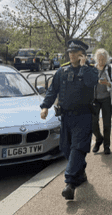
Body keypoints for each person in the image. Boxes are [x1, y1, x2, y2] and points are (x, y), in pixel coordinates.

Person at [39, 39, 96, 201]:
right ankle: (80, 172)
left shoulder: (89, 71)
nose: (71, 55)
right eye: (70, 52)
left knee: (78, 147)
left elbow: (91, 82)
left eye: (75, 52)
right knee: (66, 148)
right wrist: (45, 106)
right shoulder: (62, 71)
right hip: (66, 117)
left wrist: (84, 66)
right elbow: (52, 90)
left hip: (83, 116)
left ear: (82, 55)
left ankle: (70, 184)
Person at [90, 48, 112, 154]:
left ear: (106, 59)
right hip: (95, 99)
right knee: (93, 122)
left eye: (103, 59)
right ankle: (99, 138)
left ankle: (106, 146)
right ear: (96, 59)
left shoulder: (110, 69)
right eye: (99, 59)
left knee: (107, 124)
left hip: (106, 99)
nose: (101, 61)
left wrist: (108, 83)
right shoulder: (92, 69)